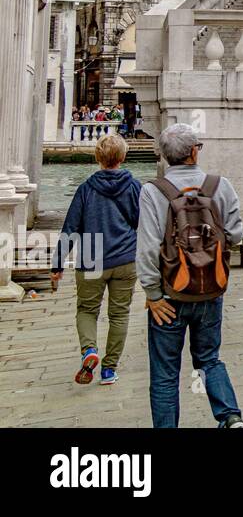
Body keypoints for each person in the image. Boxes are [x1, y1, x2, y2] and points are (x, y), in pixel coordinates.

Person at [137, 123, 243, 428]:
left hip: (170, 294)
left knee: (165, 374)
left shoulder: (152, 191)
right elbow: (236, 235)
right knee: (209, 358)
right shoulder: (219, 185)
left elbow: (146, 247)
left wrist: (152, 294)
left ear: (164, 156)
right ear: (194, 151)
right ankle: (230, 417)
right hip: (211, 289)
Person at [51, 134, 140, 386]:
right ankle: (109, 370)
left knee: (87, 310)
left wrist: (57, 264)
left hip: (91, 257)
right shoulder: (134, 186)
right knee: (119, 314)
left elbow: (70, 229)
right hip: (124, 258)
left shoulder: (86, 189)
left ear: (97, 157)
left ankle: (89, 350)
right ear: (122, 157)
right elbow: (142, 222)